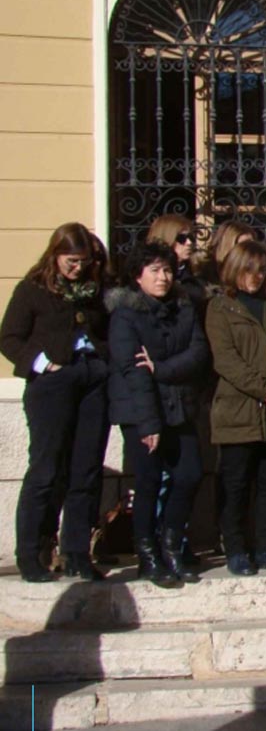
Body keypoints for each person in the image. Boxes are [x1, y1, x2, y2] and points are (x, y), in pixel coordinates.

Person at [0, 223, 110, 583]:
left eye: (84, 261)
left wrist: (101, 361)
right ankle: (31, 553)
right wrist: (43, 363)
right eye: (71, 261)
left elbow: (104, 329)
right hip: (51, 384)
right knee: (47, 469)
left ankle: (77, 552)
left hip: (92, 380)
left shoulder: (95, 290)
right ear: (56, 255)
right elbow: (10, 338)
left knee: (86, 470)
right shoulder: (33, 289)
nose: (78, 268)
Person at [107, 240, 209, 586]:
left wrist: (162, 368)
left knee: (190, 474)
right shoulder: (126, 314)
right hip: (141, 412)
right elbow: (133, 372)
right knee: (148, 482)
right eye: (154, 271)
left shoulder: (183, 307)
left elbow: (198, 354)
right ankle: (148, 555)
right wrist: (149, 424)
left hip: (179, 406)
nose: (163, 277)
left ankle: (171, 545)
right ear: (138, 276)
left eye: (167, 270)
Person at [206, 240, 266, 576]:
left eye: (262, 270)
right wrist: (262, 389)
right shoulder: (220, 308)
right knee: (235, 485)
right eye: (249, 269)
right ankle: (236, 548)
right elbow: (226, 359)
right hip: (238, 413)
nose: (256, 277)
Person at [146, 214, 209, 308]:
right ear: (166, 238)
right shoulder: (147, 278)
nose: (189, 243)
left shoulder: (196, 275)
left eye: (191, 237)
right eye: (181, 239)